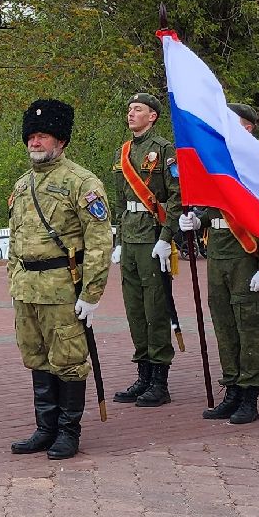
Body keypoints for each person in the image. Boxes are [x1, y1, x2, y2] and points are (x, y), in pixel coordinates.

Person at [4, 99, 113, 460]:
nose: (34, 142)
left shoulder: (82, 182)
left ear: (61, 140)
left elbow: (99, 241)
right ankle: (45, 428)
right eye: (31, 136)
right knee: (36, 358)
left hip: (63, 288)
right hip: (27, 289)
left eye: (43, 135)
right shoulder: (22, 185)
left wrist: (91, 294)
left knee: (68, 359)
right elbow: (15, 240)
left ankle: (68, 431)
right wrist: (14, 280)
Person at [195, 103, 259, 422]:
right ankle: (232, 388)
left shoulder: (258, 164)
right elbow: (215, 206)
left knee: (248, 324)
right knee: (224, 323)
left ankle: (250, 395)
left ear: (248, 128)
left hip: (246, 254)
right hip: (218, 252)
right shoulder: (218, 160)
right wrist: (198, 219)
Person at [107, 94, 178, 406]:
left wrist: (166, 236)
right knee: (135, 309)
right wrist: (119, 240)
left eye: (138, 109)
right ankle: (144, 374)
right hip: (130, 237)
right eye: (129, 109)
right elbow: (119, 201)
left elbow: (176, 196)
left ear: (152, 116)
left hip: (152, 235)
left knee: (155, 308)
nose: (131, 113)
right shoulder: (123, 152)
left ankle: (160, 381)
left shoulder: (164, 150)